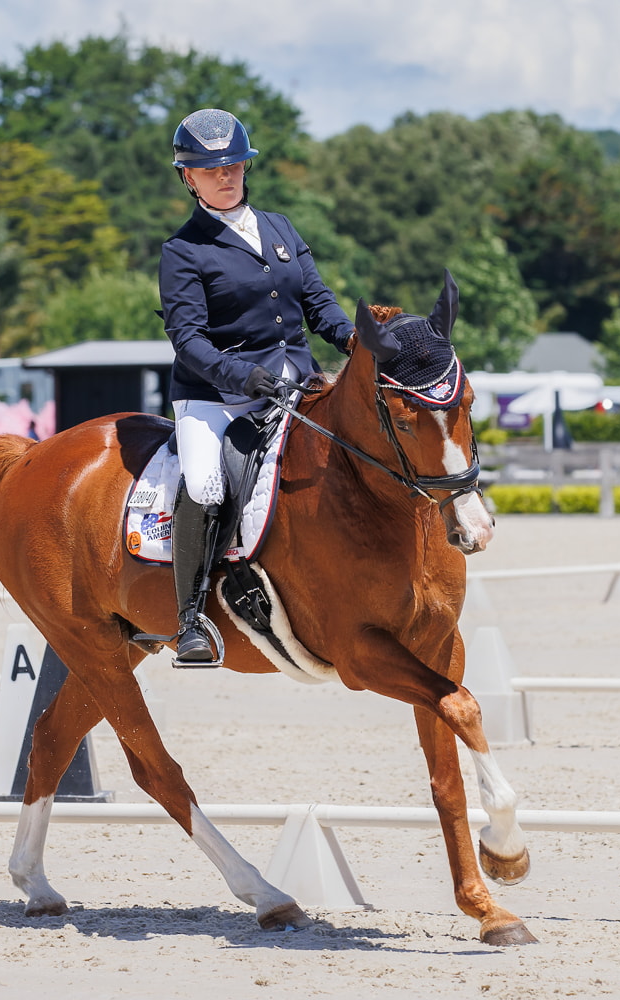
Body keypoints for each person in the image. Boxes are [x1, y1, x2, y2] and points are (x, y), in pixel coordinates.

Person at [158, 108, 355, 663]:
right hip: (216, 396)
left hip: (297, 384)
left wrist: (355, 342)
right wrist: (244, 375)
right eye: (209, 169)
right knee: (205, 485)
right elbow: (189, 340)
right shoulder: (182, 251)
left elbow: (318, 303)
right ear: (187, 177)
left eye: (234, 166)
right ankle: (191, 618)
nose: (225, 177)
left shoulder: (281, 227)